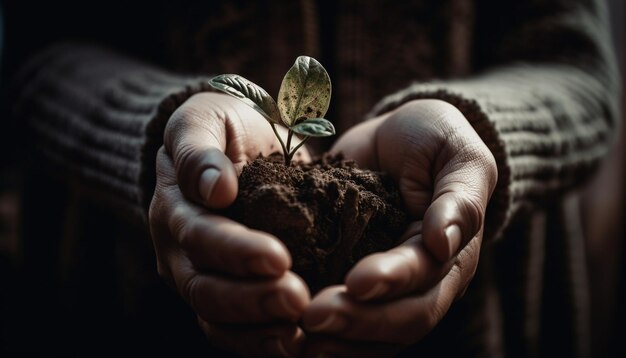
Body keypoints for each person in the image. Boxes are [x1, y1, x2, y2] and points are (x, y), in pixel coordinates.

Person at [2, 0, 620, 356]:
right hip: (128, 298)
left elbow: (581, 75)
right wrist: (160, 133)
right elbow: (35, 56)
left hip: (492, 321)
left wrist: (478, 132)